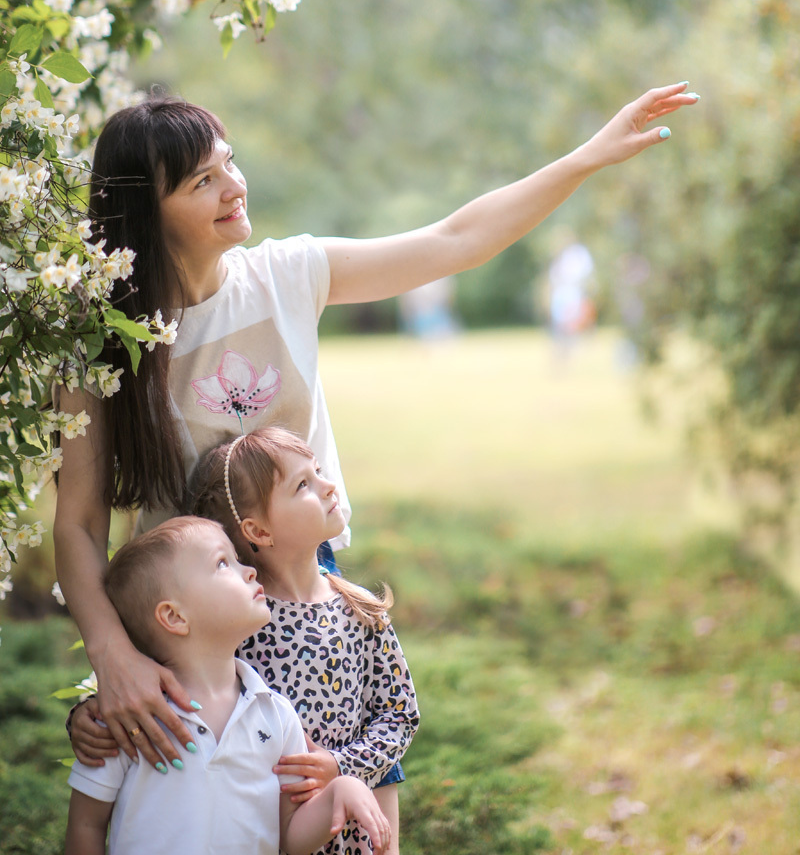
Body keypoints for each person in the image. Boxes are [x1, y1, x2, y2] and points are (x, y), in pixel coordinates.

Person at [53, 81, 698, 771]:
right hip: (182, 620)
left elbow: (456, 239)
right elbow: (79, 523)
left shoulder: (286, 276)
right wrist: (113, 658)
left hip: (307, 586)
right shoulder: (101, 340)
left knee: (343, 797)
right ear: (146, 213)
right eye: (202, 181)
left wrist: (587, 157)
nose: (234, 187)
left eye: (229, 162)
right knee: (209, 812)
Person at [70, 427, 419, 855]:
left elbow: (399, 713)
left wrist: (342, 767)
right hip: (276, 821)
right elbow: (168, 668)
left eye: (319, 472)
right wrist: (90, 712)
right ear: (258, 530)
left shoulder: (361, 610)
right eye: (303, 484)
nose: (330, 486)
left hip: (350, 813)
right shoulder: (240, 616)